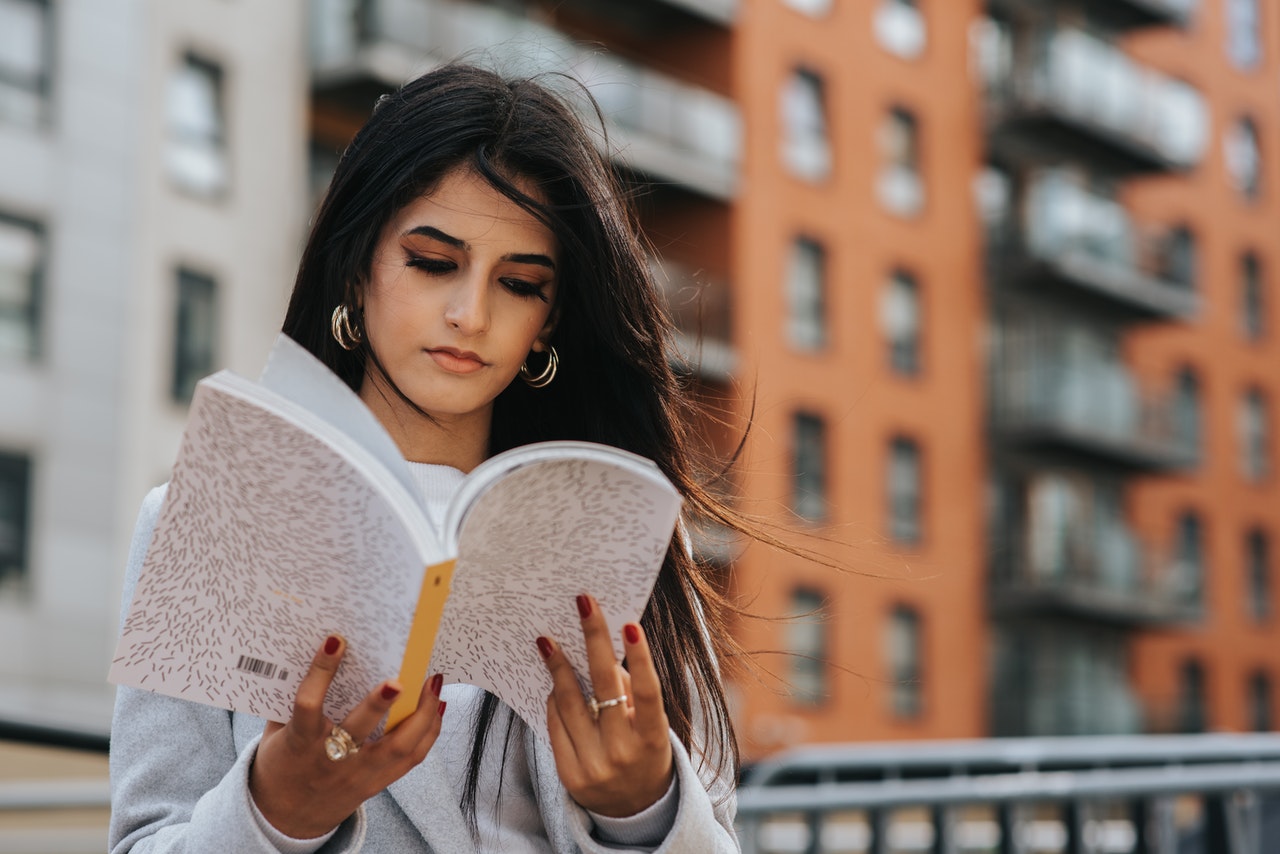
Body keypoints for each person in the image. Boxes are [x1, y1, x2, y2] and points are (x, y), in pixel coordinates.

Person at [109, 63, 742, 852]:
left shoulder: (625, 534)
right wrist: (273, 812)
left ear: (550, 322)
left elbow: (717, 831)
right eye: (433, 262)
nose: (469, 314)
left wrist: (644, 810)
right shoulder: (204, 520)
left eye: (519, 284)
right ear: (356, 263)